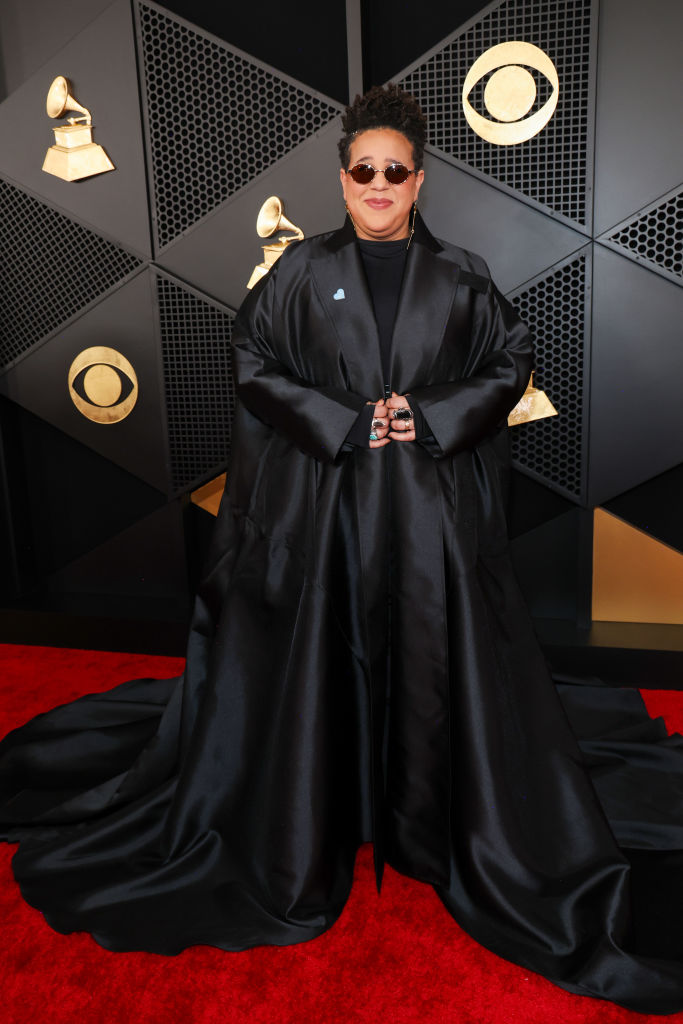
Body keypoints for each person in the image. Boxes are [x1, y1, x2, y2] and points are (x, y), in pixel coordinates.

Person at [1, 84, 683, 1014]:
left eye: (393, 170)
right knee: (326, 656)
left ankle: (428, 813)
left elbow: (505, 363)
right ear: (342, 176)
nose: (376, 183)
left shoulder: (464, 276)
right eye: (361, 169)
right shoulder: (297, 271)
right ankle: (321, 808)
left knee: (433, 664)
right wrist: (340, 420)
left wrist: (430, 414)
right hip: (323, 513)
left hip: (428, 520)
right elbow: (253, 363)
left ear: (418, 179)